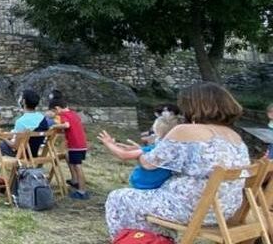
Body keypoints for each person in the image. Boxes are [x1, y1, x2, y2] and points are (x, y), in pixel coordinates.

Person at [104, 82, 249, 238]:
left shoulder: (185, 131)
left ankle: (137, 241)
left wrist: (139, 153)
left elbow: (149, 164)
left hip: (190, 209)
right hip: (225, 210)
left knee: (119, 197)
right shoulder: (235, 137)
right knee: (146, 203)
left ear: (194, 105)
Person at [99, 113, 181, 190]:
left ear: (156, 132)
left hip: (143, 186)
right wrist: (138, 149)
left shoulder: (155, 149)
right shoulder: (174, 149)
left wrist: (108, 143)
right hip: (159, 185)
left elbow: (124, 155)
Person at [49, 97, 89, 199]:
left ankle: (82, 191)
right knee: (68, 156)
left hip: (75, 145)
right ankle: (75, 181)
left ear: (57, 108)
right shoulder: (73, 114)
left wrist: (54, 126)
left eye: (54, 111)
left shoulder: (64, 115)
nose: (55, 114)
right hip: (81, 144)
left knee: (77, 166)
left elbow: (66, 125)